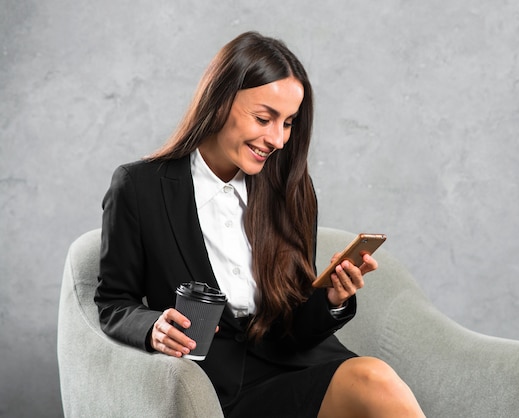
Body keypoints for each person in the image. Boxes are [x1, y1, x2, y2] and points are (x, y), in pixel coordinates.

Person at [95, 31, 425, 418]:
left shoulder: (292, 188)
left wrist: (332, 299)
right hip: (221, 386)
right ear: (219, 100)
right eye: (264, 118)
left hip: (306, 363)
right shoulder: (140, 187)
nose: (278, 139)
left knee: (373, 378)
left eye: (288, 123)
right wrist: (153, 328)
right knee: (372, 378)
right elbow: (113, 302)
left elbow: (295, 325)